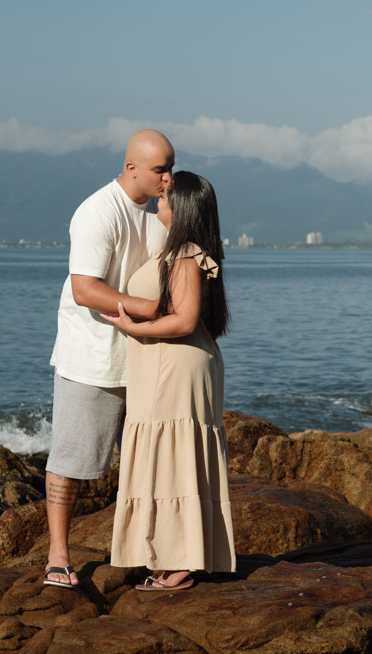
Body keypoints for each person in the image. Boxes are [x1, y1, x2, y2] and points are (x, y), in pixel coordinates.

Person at [44, 129, 175, 588]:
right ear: (131, 167)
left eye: (171, 167)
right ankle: (58, 555)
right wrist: (151, 310)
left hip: (142, 357)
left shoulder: (160, 212)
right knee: (73, 461)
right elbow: (85, 289)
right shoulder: (99, 211)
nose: (168, 178)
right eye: (161, 169)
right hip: (92, 359)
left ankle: (152, 554)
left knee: (146, 463)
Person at [103, 171, 236, 591]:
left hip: (173, 364)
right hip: (176, 362)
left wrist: (134, 328)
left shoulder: (183, 253)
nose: (158, 200)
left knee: (173, 457)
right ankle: (181, 555)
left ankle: (180, 563)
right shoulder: (182, 251)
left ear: (179, 208)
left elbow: (184, 319)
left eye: (165, 196)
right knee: (177, 456)